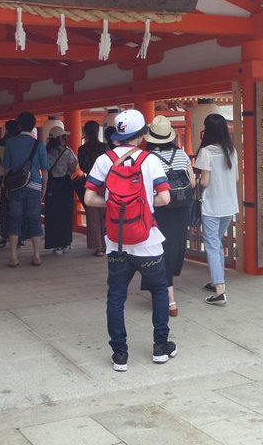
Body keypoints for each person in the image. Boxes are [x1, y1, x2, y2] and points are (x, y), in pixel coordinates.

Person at [84, 109, 175, 371]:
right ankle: (160, 347)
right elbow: (164, 198)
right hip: (147, 240)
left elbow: (89, 198)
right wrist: (144, 206)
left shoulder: (104, 160)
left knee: (116, 297)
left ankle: (120, 355)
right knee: (159, 291)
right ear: (143, 134)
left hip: (117, 241)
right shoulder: (150, 160)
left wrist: (114, 205)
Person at [145, 115, 195, 317]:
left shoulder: (149, 158)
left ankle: (169, 299)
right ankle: (164, 293)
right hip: (181, 208)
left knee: (159, 250)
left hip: (159, 208)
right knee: (173, 249)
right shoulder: (181, 155)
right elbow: (192, 182)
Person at [195, 113, 238, 306]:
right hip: (229, 205)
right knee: (217, 243)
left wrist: (195, 181)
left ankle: (220, 290)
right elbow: (236, 178)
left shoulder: (206, 152)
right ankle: (216, 282)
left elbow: (205, 181)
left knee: (212, 245)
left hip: (211, 205)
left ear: (207, 131)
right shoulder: (231, 151)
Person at [2, 111, 49, 267]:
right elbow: (44, 170)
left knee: (14, 219)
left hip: (16, 186)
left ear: (19, 125)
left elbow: (7, 169)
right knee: (35, 219)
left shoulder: (11, 143)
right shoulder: (38, 144)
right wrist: (43, 188)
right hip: (35, 185)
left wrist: (7, 186)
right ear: (33, 125)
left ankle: (13, 257)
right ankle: (36, 255)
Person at [44, 125, 78, 255]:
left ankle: (55, 244)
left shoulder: (46, 152)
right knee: (65, 213)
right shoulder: (67, 152)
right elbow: (74, 168)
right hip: (64, 184)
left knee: (52, 214)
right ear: (61, 138)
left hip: (51, 184)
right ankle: (66, 242)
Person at [78, 120, 109, 256]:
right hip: (105, 183)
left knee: (92, 217)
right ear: (97, 131)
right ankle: (108, 244)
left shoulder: (82, 149)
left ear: (85, 132)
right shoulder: (105, 147)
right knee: (106, 215)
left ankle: (98, 247)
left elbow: (82, 167)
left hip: (90, 183)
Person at [0, 120, 21, 248]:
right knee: (17, 208)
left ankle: (4, 235)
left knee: (4, 207)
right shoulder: (19, 143)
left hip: (1, 178)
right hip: (18, 179)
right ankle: (18, 236)